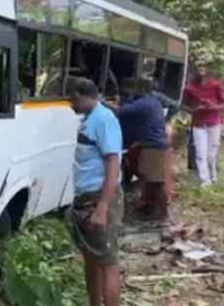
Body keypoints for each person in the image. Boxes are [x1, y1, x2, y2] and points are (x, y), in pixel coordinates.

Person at [66, 78, 123, 306]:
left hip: (99, 198)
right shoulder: (89, 120)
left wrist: (103, 207)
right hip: (86, 199)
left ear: (82, 95)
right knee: (91, 258)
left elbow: (112, 163)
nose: (70, 104)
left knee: (108, 263)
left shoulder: (104, 119)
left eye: (72, 98)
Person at [106, 78, 173, 224]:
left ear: (141, 89)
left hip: (153, 147)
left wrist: (102, 102)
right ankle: (154, 211)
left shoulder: (144, 103)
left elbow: (120, 112)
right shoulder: (152, 101)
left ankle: (164, 217)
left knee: (156, 183)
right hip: (155, 146)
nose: (132, 91)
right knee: (151, 181)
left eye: (134, 88)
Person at [183, 62, 224, 186]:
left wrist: (214, 106)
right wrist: (194, 109)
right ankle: (205, 180)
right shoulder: (189, 88)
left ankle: (213, 176)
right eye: (199, 67)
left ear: (209, 70)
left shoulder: (216, 85)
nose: (202, 70)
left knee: (211, 154)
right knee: (200, 153)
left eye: (204, 67)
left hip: (214, 123)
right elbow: (184, 105)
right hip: (198, 124)